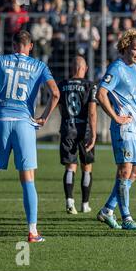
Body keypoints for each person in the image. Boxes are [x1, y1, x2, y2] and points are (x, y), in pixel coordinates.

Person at [0, 30, 60, 243]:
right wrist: (44, 117)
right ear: (30, 47)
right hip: (24, 124)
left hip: (0, 120)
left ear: (13, 45)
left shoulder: (1, 60)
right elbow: (55, 93)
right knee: (27, 179)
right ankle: (32, 232)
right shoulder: (39, 66)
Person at [96, 28, 136, 231]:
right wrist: (116, 117)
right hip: (124, 129)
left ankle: (108, 210)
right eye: (135, 49)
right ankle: (126, 217)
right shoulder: (117, 68)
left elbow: (132, 96)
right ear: (126, 46)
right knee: (125, 170)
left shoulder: (134, 68)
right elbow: (101, 94)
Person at [58, 56, 97, 214]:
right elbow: (92, 112)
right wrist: (94, 134)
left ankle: (69, 201)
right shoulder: (89, 85)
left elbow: (60, 107)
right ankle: (85, 204)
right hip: (84, 130)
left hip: (68, 128)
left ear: (71, 68)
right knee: (87, 167)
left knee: (70, 166)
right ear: (84, 68)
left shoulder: (62, 85)